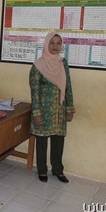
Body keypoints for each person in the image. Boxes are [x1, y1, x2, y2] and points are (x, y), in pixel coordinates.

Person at [29, 32, 75, 183]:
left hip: (59, 110)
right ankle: (42, 170)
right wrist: (36, 112)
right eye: (52, 43)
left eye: (58, 43)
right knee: (41, 141)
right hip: (43, 110)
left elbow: (67, 86)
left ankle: (57, 170)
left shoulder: (63, 63)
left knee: (58, 141)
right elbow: (34, 91)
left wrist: (69, 108)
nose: (55, 46)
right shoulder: (38, 66)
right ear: (46, 44)